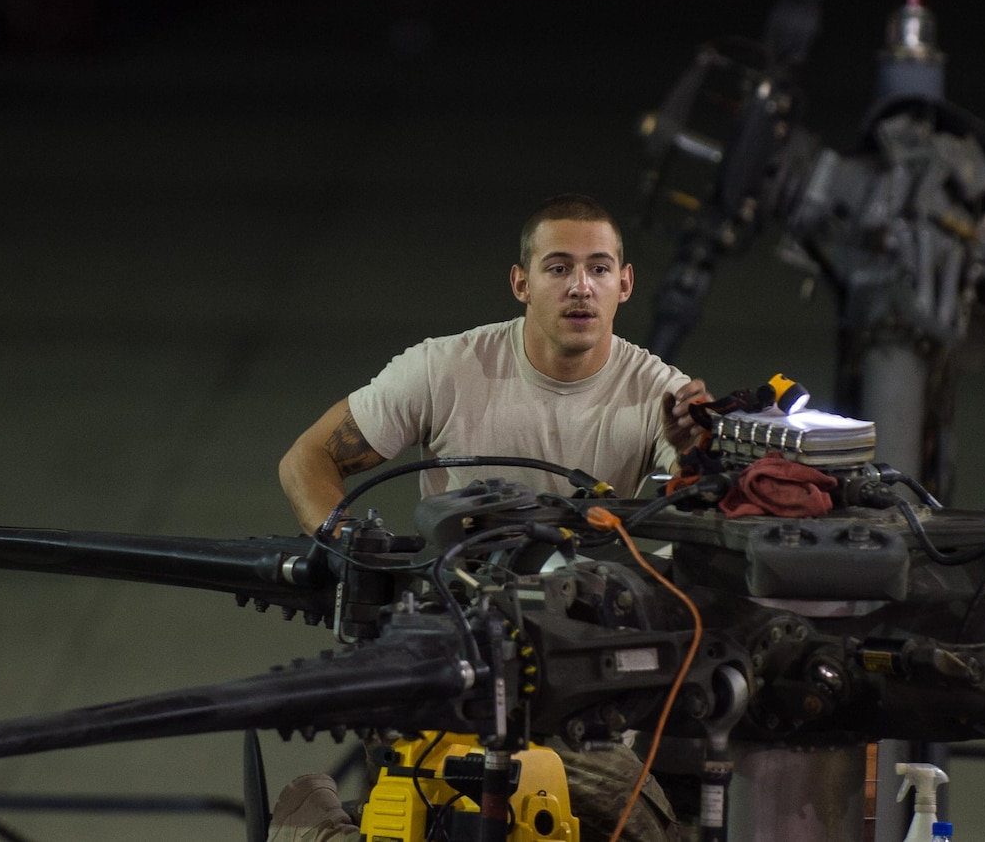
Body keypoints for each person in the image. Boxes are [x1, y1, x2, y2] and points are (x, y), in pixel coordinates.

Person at [276, 192, 709, 842]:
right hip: (455, 664)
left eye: (598, 267)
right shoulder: (444, 369)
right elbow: (306, 458)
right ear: (521, 282)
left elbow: (698, 507)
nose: (580, 286)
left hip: (582, 682)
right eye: (558, 267)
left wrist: (700, 453)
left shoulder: (665, 396)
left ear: (625, 282)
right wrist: (349, 546)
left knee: (640, 822)